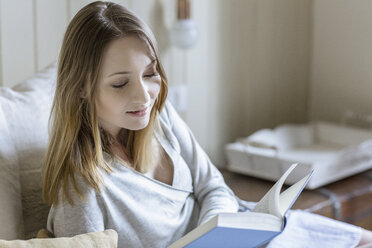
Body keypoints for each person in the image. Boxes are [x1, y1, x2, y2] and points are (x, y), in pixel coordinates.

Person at [42, 1, 372, 247]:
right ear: (82, 87)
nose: (145, 97)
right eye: (120, 83)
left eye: (150, 74)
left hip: (238, 235)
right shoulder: (80, 193)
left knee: (360, 240)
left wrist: (217, 231)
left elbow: (212, 185)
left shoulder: (159, 118)